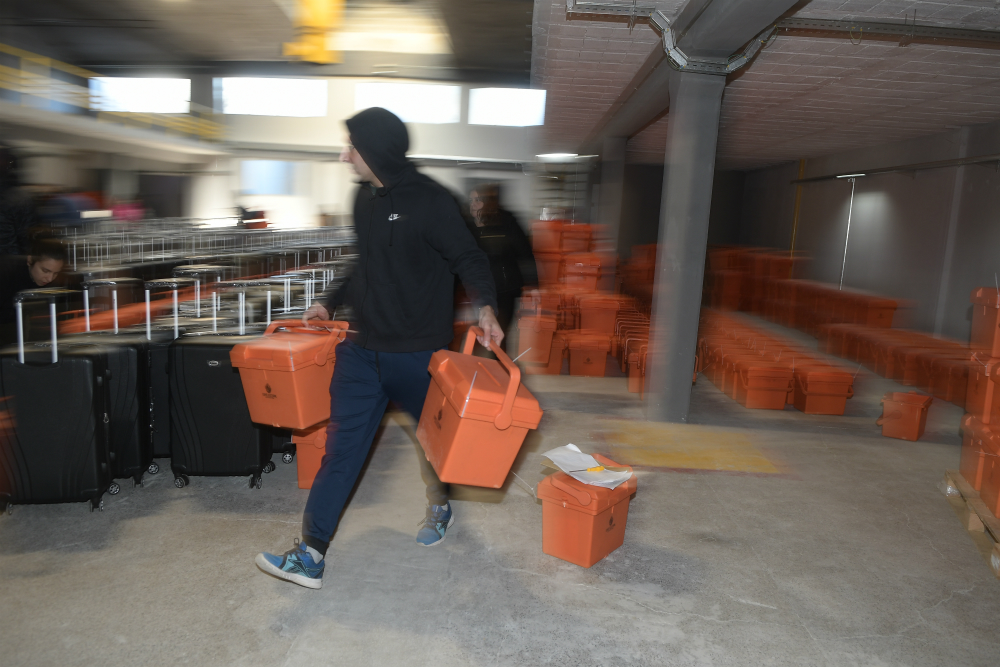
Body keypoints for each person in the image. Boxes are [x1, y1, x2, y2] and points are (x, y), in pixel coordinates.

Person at [255, 108, 502, 590]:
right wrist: (329, 301)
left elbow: (468, 257)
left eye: (352, 147)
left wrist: (486, 307)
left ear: (375, 150)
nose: (345, 156)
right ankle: (311, 553)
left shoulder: (432, 201)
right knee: (340, 449)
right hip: (361, 351)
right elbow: (363, 263)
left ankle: (440, 504)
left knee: (433, 442)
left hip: (418, 355)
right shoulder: (363, 199)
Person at [467, 183, 537, 345]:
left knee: (499, 333)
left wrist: (534, 285)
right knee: (477, 333)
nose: (473, 204)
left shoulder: (506, 223)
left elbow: (525, 252)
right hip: (478, 289)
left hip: (505, 289)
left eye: (478, 200)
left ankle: (499, 359)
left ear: (487, 202)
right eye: (471, 200)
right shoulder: (467, 227)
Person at [0, 236, 66, 344]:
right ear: (30, 260)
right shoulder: (5, 272)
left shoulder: (54, 284)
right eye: (45, 271)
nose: (50, 278)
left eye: (56, 273)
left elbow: (44, 326)